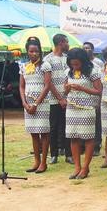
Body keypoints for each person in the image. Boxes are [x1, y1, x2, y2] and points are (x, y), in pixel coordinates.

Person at [63, 48, 103, 180]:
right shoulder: (68, 72)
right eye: (72, 64)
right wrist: (67, 90)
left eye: (77, 64)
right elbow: (65, 92)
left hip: (87, 109)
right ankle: (77, 167)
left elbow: (98, 91)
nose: (74, 66)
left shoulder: (93, 72)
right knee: (73, 137)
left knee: (88, 138)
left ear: (83, 61)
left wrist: (82, 88)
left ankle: (85, 167)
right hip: (72, 109)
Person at [19, 37, 52, 172]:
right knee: (33, 133)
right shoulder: (23, 66)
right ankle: (36, 161)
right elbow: (21, 86)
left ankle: (43, 162)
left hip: (42, 103)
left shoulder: (45, 65)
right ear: (27, 51)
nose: (34, 54)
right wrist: (24, 103)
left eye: (36, 51)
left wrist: (36, 103)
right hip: (28, 104)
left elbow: (47, 85)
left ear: (40, 51)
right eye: (31, 51)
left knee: (43, 133)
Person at [43, 34, 70, 164]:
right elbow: (49, 83)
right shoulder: (47, 59)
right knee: (53, 127)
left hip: (68, 98)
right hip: (54, 100)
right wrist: (60, 98)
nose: (68, 45)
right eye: (67, 42)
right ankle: (53, 154)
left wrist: (66, 96)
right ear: (61, 43)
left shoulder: (67, 58)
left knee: (67, 126)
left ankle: (68, 154)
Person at [83, 42, 104, 155]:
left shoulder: (98, 63)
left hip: (96, 96)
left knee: (96, 123)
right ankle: (83, 145)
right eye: (84, 48)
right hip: (84, 99)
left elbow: (101, 81)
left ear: (92, 49)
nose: (86, 50)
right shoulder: (81, 62)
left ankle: (96, 146)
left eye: (88, 48)